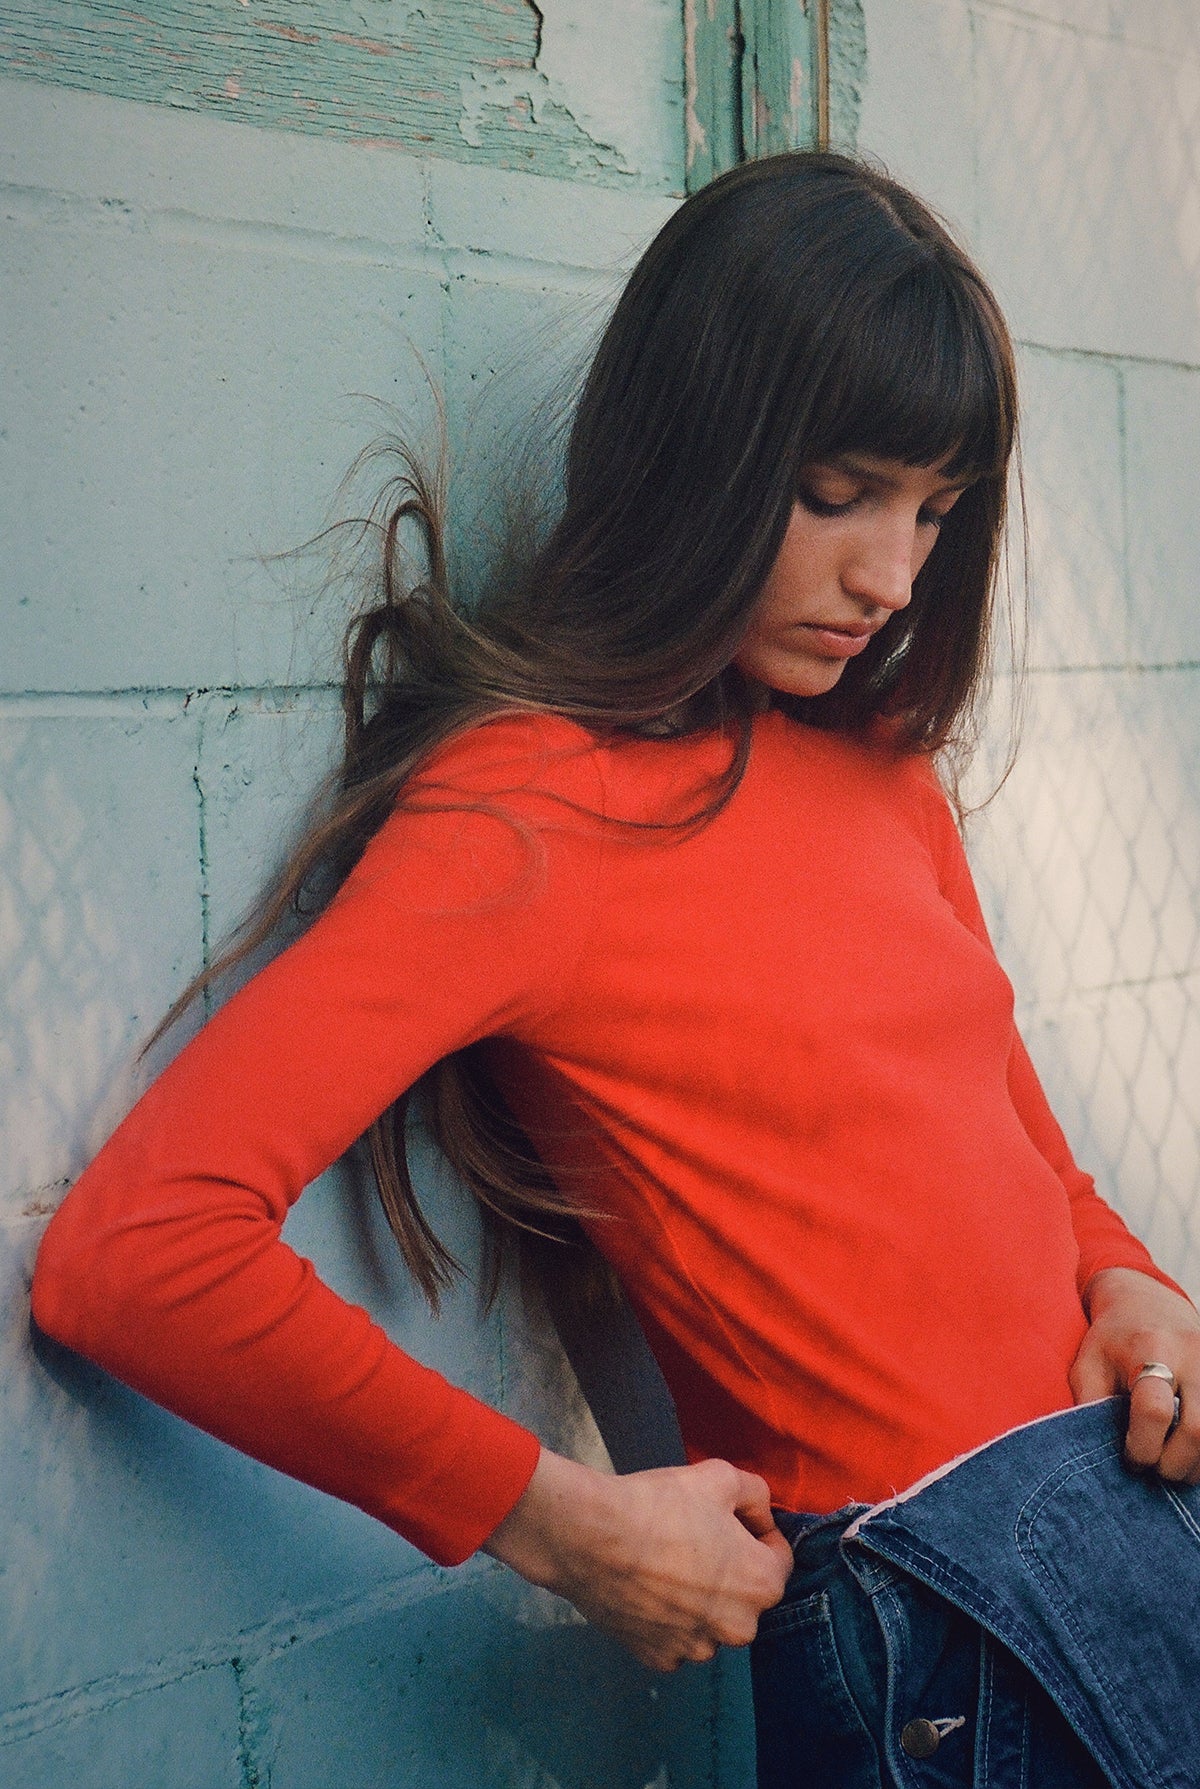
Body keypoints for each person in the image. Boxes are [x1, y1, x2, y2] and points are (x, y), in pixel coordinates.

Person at [30, 152, 1200, 1785]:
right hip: (936, 1634)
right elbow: (135, 1254)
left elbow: (1018, 1143)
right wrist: (559, 1520)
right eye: (840, 492)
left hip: (1132, 1526)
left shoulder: (880, 760)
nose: (892, 577)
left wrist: (1129, 1276)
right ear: (695, 450)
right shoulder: (525, 810)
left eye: (937, 513)